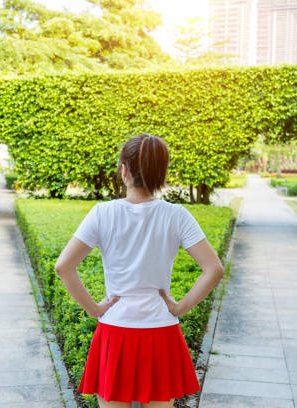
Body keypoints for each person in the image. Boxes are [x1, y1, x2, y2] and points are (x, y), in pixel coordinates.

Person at [54, 134, 225, 408]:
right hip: (161, 332)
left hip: (115, 330)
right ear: (162, 173)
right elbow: (213, 270)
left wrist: (94, 309)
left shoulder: (102, 213)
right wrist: (179, 308)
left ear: (123, 170)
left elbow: (64, 266)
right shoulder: (176, 215)